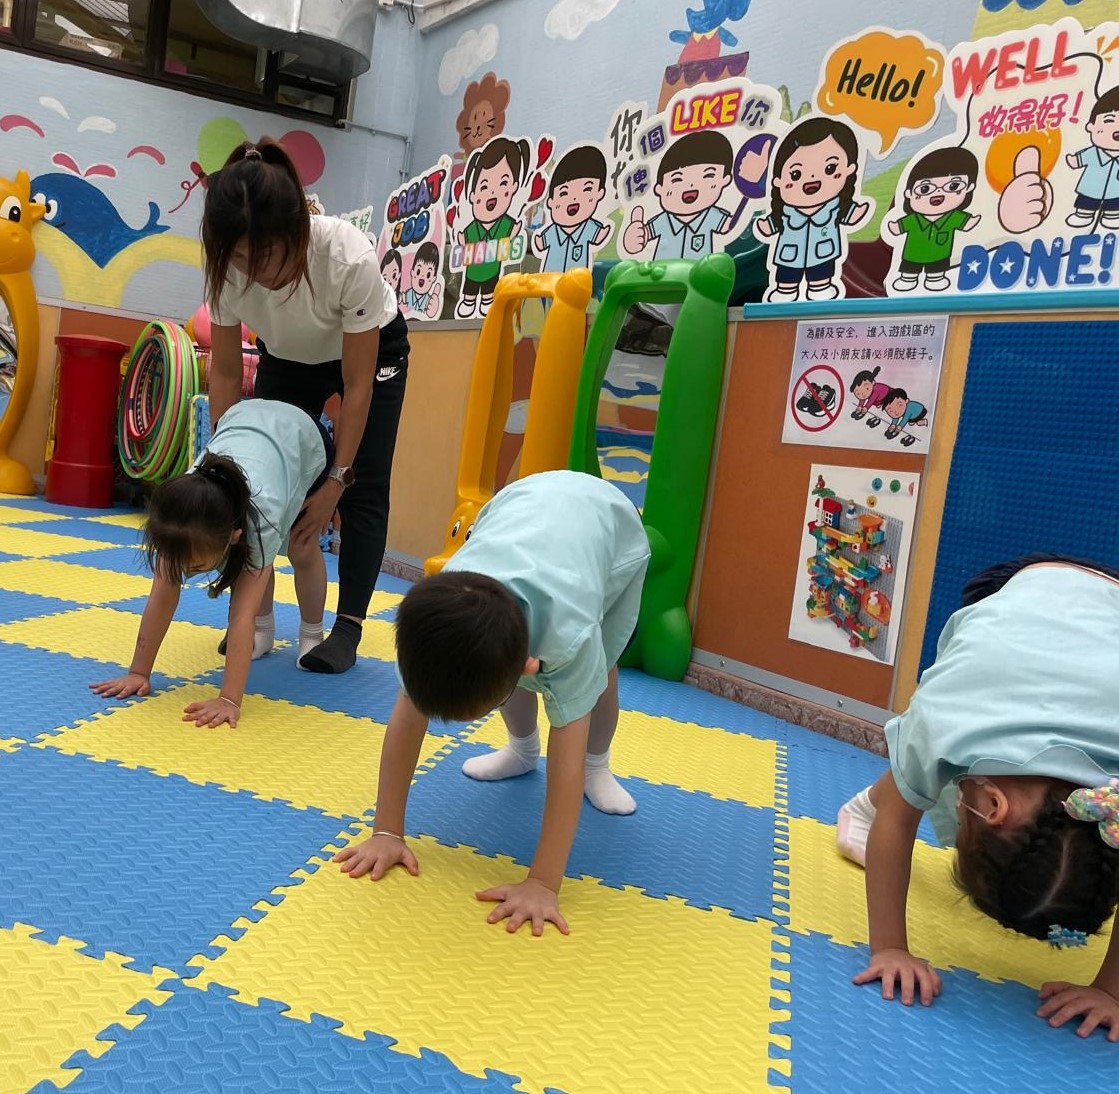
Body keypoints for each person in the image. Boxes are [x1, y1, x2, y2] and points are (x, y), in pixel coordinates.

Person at [333, 471, 651, 936]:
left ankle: (599, 765)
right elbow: (405, 722)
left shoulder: (570, 636)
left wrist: (543, 882)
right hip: (517, 505)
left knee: (597, 677)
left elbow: (564, 764)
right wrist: (386, 830)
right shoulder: (431, 627)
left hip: (612, 532)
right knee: (487, 662)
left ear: (527, 664)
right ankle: (522, 750)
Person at [836, 555, 1119, 1038]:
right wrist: (890, 948)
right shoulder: (949, 716)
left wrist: (1110, 990)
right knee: (925, 762)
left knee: (928, 763)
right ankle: (868, 803)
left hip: (1099, 608)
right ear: (989, 808)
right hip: (1018, 587)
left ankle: (892, 787)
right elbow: (898, 819)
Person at [202, 136, 410, 674]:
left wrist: (335, 482)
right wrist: (225, 462)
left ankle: (347, 628)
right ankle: (257, 622)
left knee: (365, 482)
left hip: (368, 352)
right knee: (258, 481)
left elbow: (357, 387)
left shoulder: (345, 256)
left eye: (268, 255)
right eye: (242, 257)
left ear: (296, 230)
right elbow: (225, 372)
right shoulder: (225, 268)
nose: (256, 271)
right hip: (288, 355)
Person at [90, 399, 331, 727]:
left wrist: (229, 699)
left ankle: (312, 634)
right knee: (257, 563)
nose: (186, 573)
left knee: (300, 546)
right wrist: (138, 672)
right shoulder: (180, 517)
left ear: (234, 536)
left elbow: (241, 615)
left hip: (304, 439)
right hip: (244, 418)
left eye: (196, 568)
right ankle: (266, 632)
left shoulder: (262, 520)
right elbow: (161, 597)